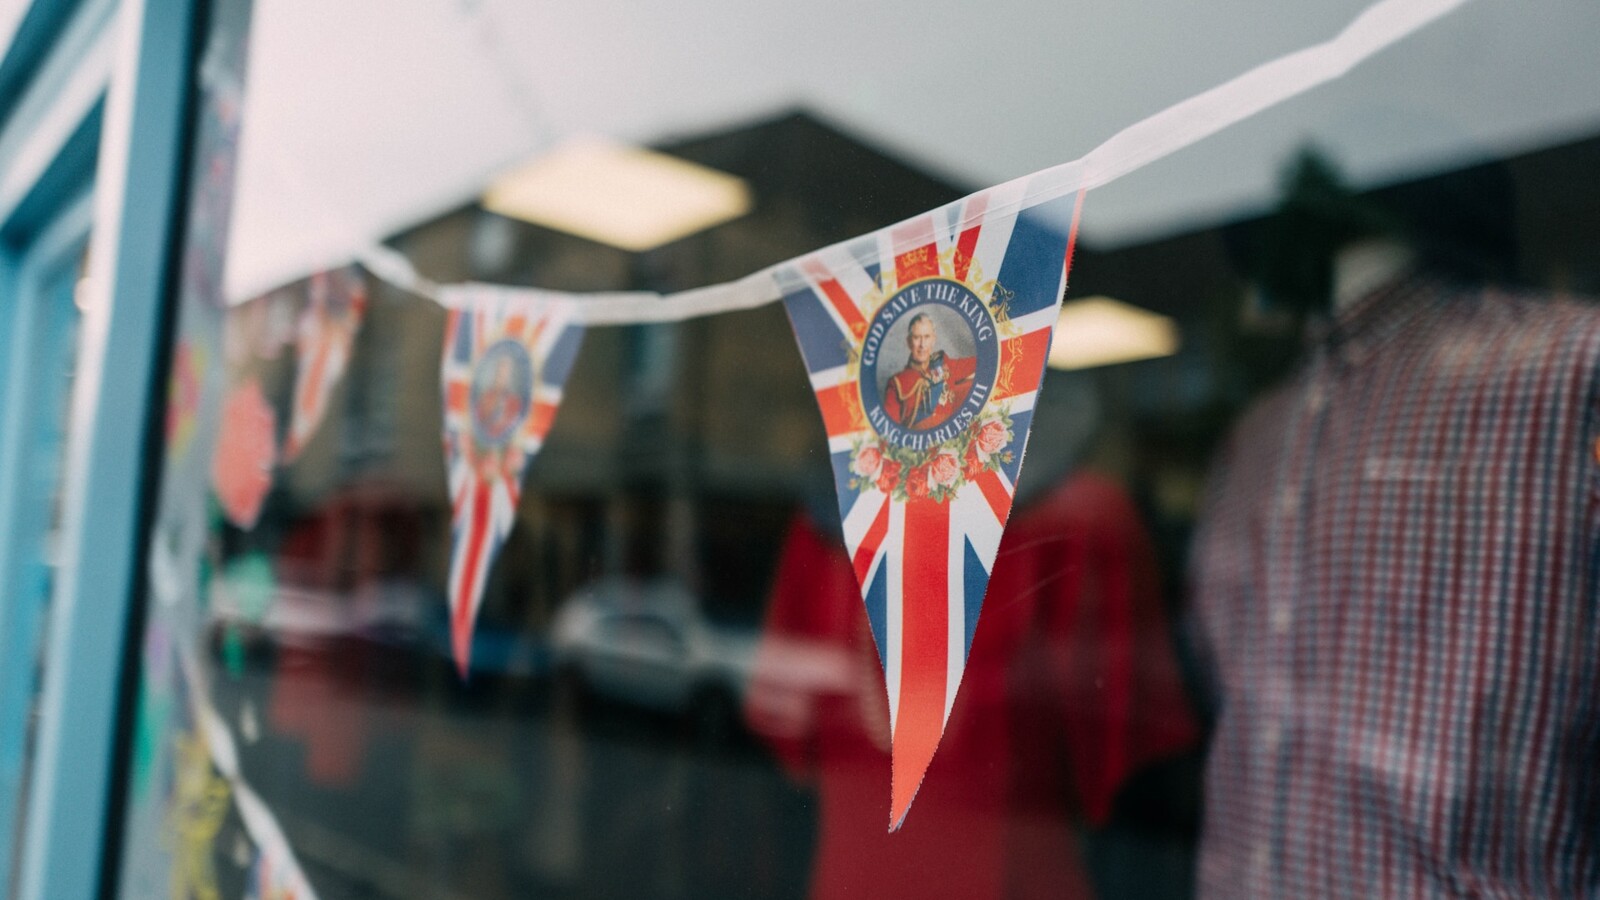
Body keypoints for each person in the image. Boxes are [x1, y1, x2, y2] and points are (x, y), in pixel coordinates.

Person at [882, 312, 976, 429]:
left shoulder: (945, 365)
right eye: (917, 337)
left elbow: (983, 362)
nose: (922, 344)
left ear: (933, 340)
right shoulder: (897, 383)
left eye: (927, 337)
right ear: (909, 341)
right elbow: (889, 432)